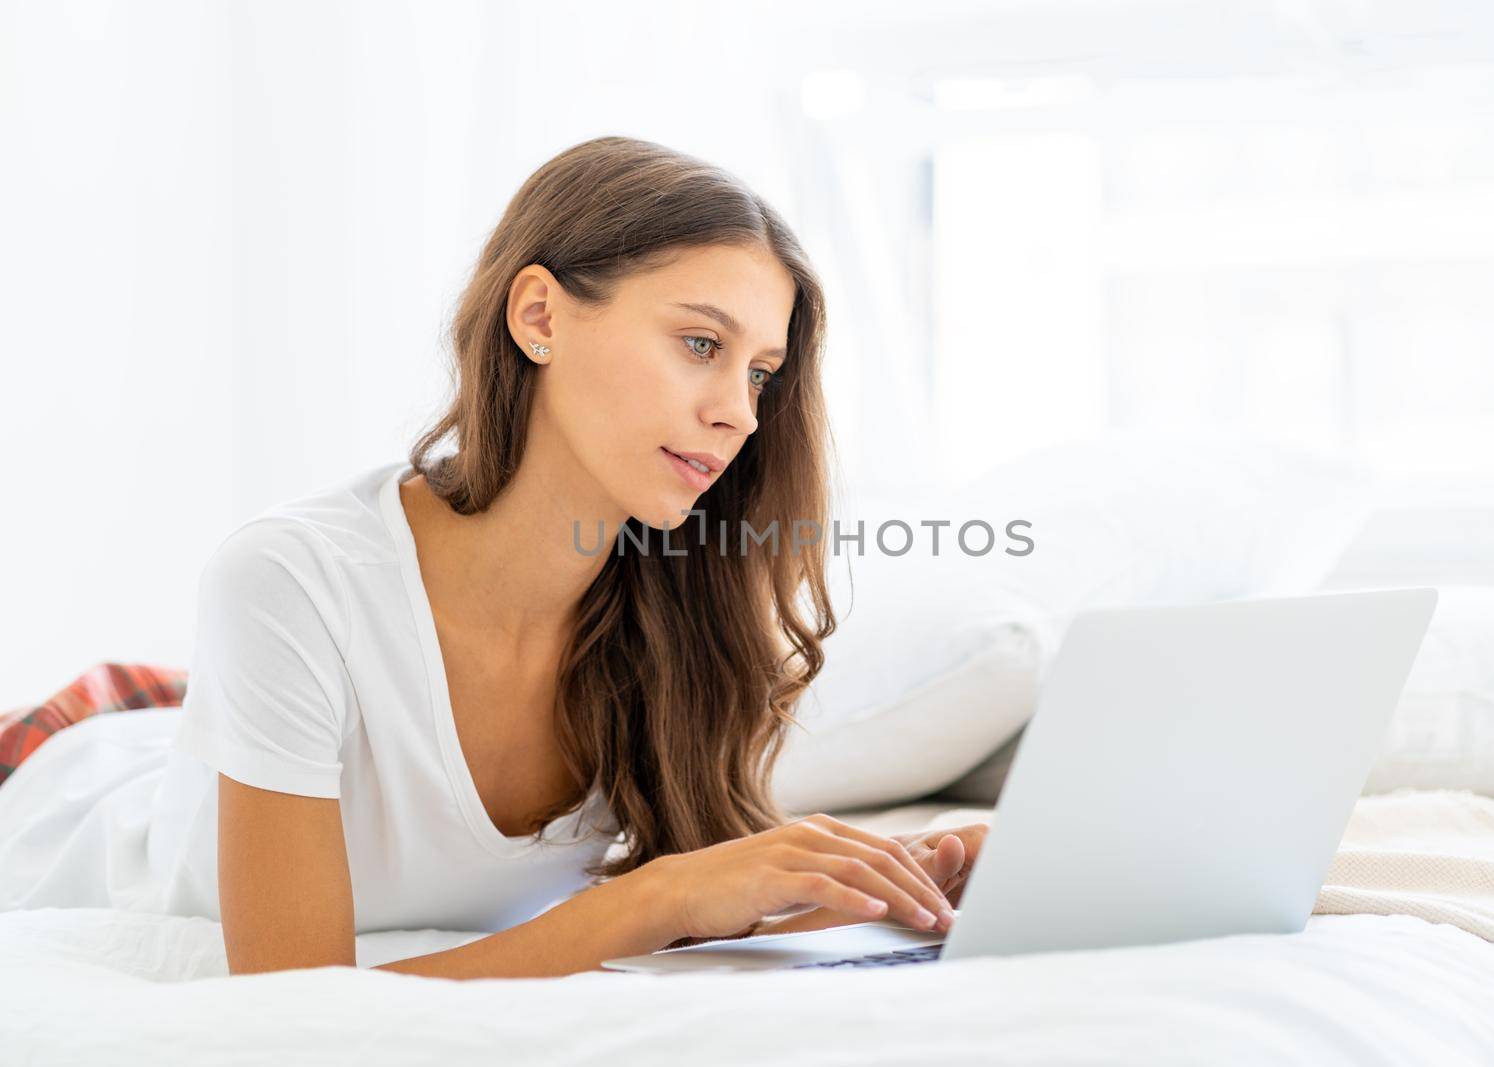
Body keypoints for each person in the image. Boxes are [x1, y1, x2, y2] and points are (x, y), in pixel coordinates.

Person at [0, 135, 986, 978]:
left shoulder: (674, 607)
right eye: (698, 342)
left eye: (761, 371)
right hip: (60, 770)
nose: (738, 410)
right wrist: (646, 899)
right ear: (540, 316)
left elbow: (711, 901)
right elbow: (293, 999)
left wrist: (891, 880)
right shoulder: (289, 579)